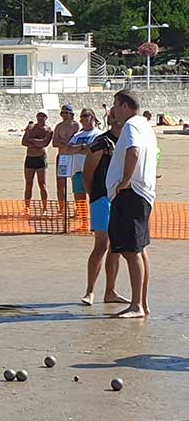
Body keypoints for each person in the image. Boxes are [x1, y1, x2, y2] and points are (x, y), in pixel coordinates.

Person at [107, 90, 157, 319]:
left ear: (125, 106)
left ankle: (137, 305)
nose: (113, 110)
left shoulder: (131, 126)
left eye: (116, 105)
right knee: (139, 249)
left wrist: (124, 182)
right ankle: (142, 304)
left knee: (130, 250)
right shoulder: (145, 124)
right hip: (142, 193)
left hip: (132, 194)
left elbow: (134, 152)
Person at [81, 108, 127, 306]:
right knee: (101, 245)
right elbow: (87, 173)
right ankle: (90, 290)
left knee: (116, 247)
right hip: (101, 197)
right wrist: (94, 196)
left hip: (122, 198)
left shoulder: (128, 141)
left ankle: (110, 291)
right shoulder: (101, 142)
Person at [66, 108, 102, 204]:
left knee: (93, 197)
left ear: (92, 117)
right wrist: (82, 146)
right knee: (79, 199)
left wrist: (77, 149)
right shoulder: (77, 135)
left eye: (85, 115)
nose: (83, 118)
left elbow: (92, 151)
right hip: (77, 171)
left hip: (92, 171)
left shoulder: (98, 134)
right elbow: (68, 149)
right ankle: (83, 219)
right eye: (81, 116)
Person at [21, 111, 52, 210]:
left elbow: (44, 143)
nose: (40, 118)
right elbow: (24, 142)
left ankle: (44, 208)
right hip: (30, 158)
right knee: (28, 183)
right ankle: (27, 207)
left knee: (42, 184)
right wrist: (37, 143)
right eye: (39, 115)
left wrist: (33, 140)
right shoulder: (31, 128)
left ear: (46, 117)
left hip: (40, 158)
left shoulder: (48, 130)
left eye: (42, 116)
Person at [52, 104, 81, 211]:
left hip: (73, 157)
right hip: (62, 157)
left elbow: (75, 141)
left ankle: (79, 208)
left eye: (66, 113)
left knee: (76, 184)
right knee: (60, 184)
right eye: (63, 112)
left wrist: (64, 142)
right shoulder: (59, 126)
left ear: (71, 114)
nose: (64, 115)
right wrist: (66, 143)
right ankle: (62, 208)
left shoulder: (76, 125)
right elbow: (54, 142)